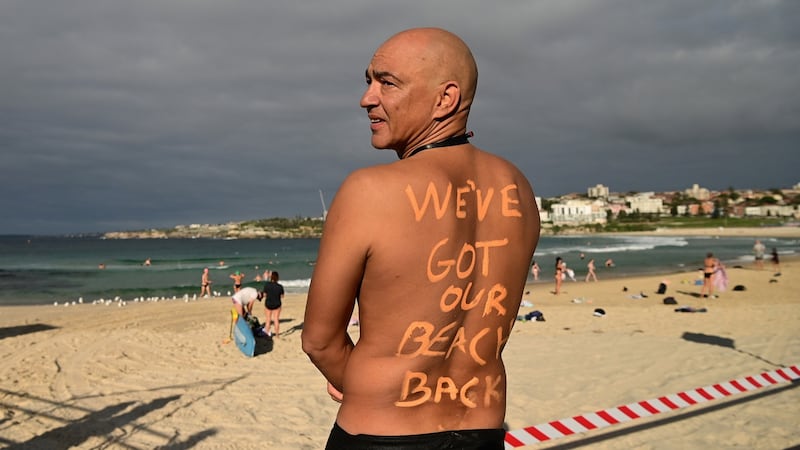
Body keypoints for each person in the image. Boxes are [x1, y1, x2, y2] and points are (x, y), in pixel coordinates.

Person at [302, 28, 540, 449]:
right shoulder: (517, 187)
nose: (367, 98)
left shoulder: (369, 190)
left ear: (445, 100)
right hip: (481, 430)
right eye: (369, 81)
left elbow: (320, 340)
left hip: (382, 432)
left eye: (387, 83)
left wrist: (361, 384)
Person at [262, 271, 285, 338]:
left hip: (268, 303)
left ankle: (266, 334)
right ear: (277, 278)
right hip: (277, 304)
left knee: (268, 319)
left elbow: (264, 295)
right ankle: (277, 335)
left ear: (271, 277)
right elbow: (282, 296)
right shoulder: (280, 287)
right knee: (276, 319)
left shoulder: (267, 285)